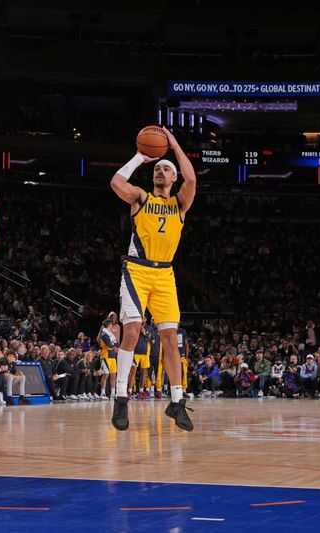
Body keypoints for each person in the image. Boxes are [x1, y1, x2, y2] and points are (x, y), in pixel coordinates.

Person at [110, 127, 196, 432]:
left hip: (165, 274)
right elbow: (116, 182)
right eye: (157, 168)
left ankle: (176, 402)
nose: (160, 171)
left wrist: (173, 146)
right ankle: (121, 397)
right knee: (131, 331)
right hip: (136, 270)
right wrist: (139, 157)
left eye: (165, 169)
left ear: (173, 179)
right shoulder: (141, 198)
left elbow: (192, 178)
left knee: (171, 339)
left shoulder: (180, 205)